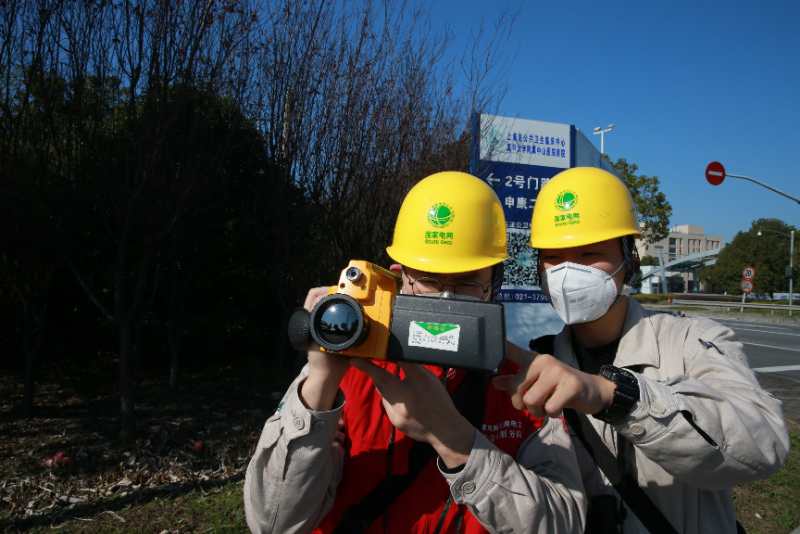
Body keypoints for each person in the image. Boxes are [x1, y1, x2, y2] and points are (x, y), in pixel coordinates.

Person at [244, 171, 587, 534]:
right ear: (399, 277)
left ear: (493, 283)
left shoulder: (522, 385)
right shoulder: (351, 373)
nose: (446, 297)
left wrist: (455, 440)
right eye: (429, 279)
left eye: (467, 281)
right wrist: (321, 383)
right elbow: (274, 522)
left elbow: (564, 524)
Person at [494, 166, 790, 533]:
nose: (568, 273)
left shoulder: (691, 339)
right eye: (553, 256)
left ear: (629, 259)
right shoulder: (538, 365)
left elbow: (763, 445)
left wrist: (616, 397)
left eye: (589, 253)